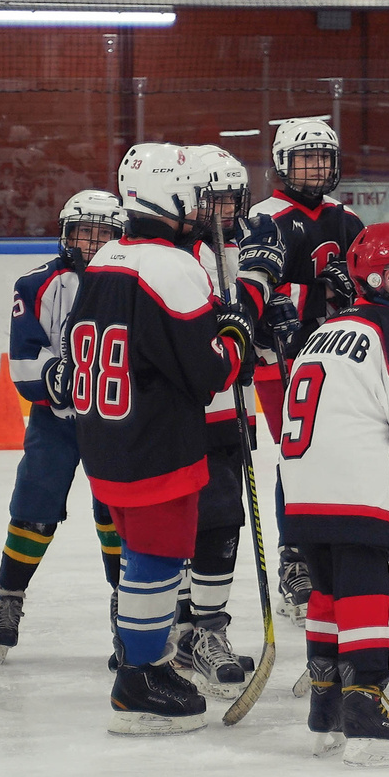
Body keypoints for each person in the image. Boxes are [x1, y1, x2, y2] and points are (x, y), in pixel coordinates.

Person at [72, 144, 254, 735]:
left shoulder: (108, 257)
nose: (203, 209)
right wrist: (237, 337)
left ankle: (143, 664)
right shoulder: (172, 267)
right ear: (168, 196)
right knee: (157, 559)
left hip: (108, 437)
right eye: (195, 197)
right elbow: (206, 372)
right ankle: (139, 681)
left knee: (140, 559)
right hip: (156, 441)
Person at [276, 222, 389, 764]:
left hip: (301, 483)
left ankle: (327, 703)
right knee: (363, 584)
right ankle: (365, 704)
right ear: (388, 277)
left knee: (327, 588)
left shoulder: (325, 330)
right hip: (351, 481)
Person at [236, 116, 365, 624]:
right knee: (298, 454)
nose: (315, 167)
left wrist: (351, 289)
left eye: (323, 158)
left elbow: (368, 285)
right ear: (281, 164)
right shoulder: (261, 218)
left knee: (335, 452)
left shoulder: (346, 218)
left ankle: (330, 544)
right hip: (279, 360)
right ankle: (295, 556)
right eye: (305, 158)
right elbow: (251, 290)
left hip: (336, 358)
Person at [0, 189, 127, 663]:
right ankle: (9, 594)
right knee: (35, 506)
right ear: (66, 234)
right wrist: (59, 377)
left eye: (103, 234)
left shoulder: (134, 282)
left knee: (117, 513)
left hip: (114, 422)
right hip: (56, 420)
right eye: (84, 232)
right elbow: (24, 358)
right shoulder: (36, 284)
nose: (91, 243)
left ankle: (127, 606)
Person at [173, 144, 263, 700]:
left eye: (232, 199)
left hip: (230, 409)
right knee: (192, 522)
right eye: (215, 200)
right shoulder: (179, 258)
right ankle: (187, 630)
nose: (226, 210)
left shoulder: (232, 249)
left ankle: (204, 631)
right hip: (189, 410)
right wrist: (257, 287)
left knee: (223, 519)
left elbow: (249, 328)